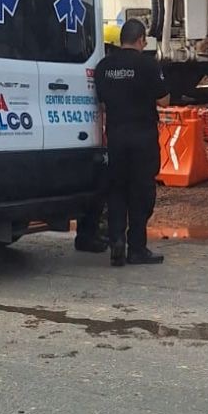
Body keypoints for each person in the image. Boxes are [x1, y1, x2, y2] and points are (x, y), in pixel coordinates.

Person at [93, 18, 170, 267]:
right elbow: (165, 100)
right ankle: (136, 247)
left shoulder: (104, 67)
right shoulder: (147, 65)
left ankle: (116, 240)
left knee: (116, 191)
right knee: (141, 193)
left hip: (115, 138)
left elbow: (102, 103)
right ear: (140, 40)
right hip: (143, 139)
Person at [74, 23, 124, 253]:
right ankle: (94, 234)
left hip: (92, 135)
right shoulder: (103, 66)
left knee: (97, 188)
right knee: (104, 191)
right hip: (103, 137)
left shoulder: (95, 66)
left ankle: (90, 234)